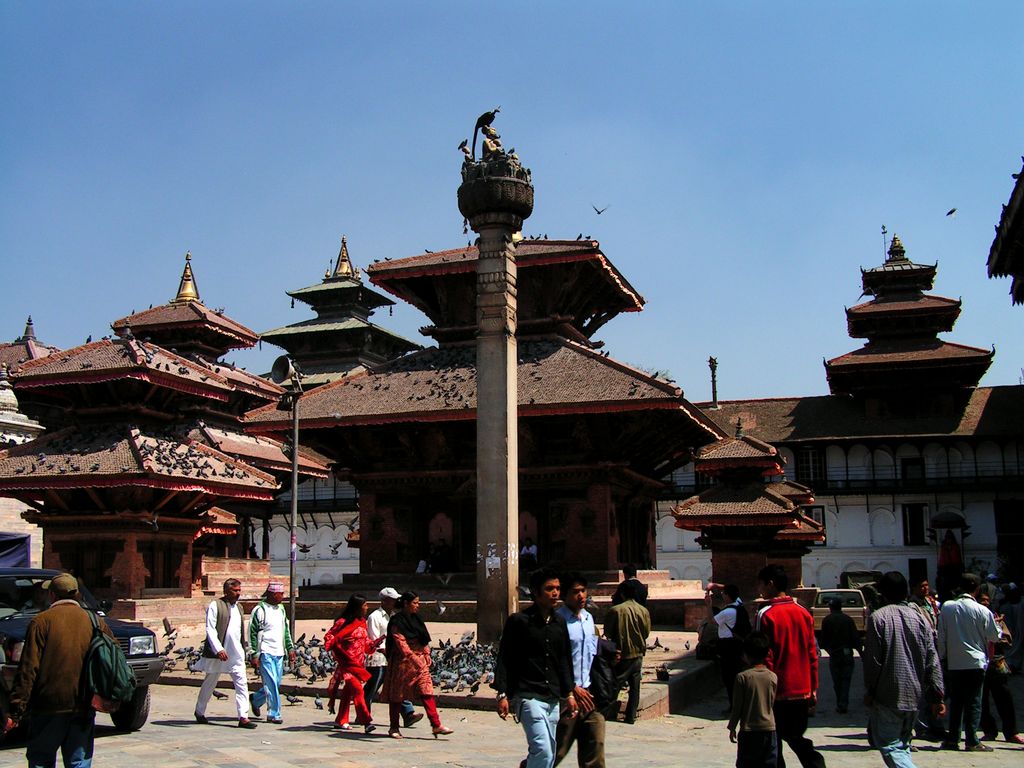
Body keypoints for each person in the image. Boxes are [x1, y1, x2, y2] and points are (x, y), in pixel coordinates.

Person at [3, 573, 113, 767]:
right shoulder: (96, 622)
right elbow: (111, 660)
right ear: (77, 595)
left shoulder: (41, 622)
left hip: (48, 706)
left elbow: (28, 671)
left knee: (41, 760)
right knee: (78, 761)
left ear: (52, 595)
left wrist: (16, 711)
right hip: (83, 704)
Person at [862, 571, 946, 768]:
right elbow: (932, 661)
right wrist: (937, 695)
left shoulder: (878, 618)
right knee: (903, 745)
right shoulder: (920, 618)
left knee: (891, 746)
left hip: (888, 694)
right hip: (915, 695)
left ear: (882, 593)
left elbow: (873, 661)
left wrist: (870, 690)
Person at [495, 567, 576, 768]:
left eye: (557, 588)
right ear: (536, 592)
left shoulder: (559, 622)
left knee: (549, 754)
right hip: (528, 695)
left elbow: (564, 660)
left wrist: (569, 693)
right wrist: (502, 694)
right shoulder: (519, 622)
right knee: (542, 749)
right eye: (549, 589)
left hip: (552, 697)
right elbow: (505, 657)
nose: (555, 593)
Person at [754, 564, 824, 768]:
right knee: (794, 735)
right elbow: (812, 653)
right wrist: (813, 687)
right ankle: (814, 762)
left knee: (773, 741)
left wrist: (761, 691)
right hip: (802, 688)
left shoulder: (766, 614)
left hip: (777, 689)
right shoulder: (803, 612)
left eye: (761, 583)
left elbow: (763, 655)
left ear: (770, 584)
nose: (759, 588)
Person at [937, 572, 1002, 752]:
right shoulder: (982, 610)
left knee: (956, 701)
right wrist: (998, 626)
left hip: (954, 663)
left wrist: (942, 658)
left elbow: (941, 636)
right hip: (975, 663)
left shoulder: (947, 607)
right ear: (977, 589)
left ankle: (953, 738)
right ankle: (972, 739)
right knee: (974, 701)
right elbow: (994, 636)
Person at [380, 591, 453, 739]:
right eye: (415, 603)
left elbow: (423, 638)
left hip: (420, 661)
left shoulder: (417, 619)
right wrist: (413, 658)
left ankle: (436, 724)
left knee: (427, 691)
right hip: (403, 663)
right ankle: (394, 727)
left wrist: (426, 654)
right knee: (397, 695)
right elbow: (401, 643)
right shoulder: (396, 621)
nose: (417, 606)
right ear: (406, 604)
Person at [554, 572, 605, 768]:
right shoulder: (558, 621)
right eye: (575, 592)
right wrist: (572, 688)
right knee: (555, 750)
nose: (581, 596)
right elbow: (556, 660)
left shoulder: (588, 619)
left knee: (595, 746)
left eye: (583, 591)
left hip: (590, 694)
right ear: (565, 595)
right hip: (567, 696)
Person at [194, 578, 257, 728]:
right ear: (226, 591)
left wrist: (246, 651)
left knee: (242, 684)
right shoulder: (216, 606)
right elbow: (211, 629)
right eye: (235, 591)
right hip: (220, 654)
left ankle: (243, 717)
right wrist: (218, 649)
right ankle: (199, 711)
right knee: (210, 683)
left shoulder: (239, 608)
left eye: (239, 590)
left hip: (236, 654)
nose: (238, 593)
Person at [365, 586, 422, 727]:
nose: (395, 603)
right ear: (384, 601)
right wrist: (387, 652)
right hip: (378, 658)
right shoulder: (375, 617)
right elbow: (374, 639)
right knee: (372, 687)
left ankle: (408, 713)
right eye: (392, 600)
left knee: (398, 686)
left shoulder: (394, 616)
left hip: (393, 657)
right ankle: (364, 714)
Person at [325, 594, 377, 732]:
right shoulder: (342, 623)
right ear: (358, 607)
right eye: (365, 605)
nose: (367, 607)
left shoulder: (362, 622)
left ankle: (341, 720)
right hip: (347, 664)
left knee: (348, 692)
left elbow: (365, 644)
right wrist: (339, 651)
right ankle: (366, 721)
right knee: (358, 691)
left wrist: (373, 645)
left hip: (359, 664)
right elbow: (330, 637)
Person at [977, 592, 1024, 745]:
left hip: (997, 663)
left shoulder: (994, 616)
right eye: (982, 600)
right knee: (982, 700)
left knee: (1005, 697)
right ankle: (989, 730)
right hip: (980, 663)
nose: (985, 603)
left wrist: (997, 627)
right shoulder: (974, 616)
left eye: (987, 601)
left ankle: (1011, 732)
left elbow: (1006, 639)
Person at [728, 632, 778, 768]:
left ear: (745, 655)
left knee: (747, 763)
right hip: (769, 729)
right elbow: (771, 702)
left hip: (749, 730)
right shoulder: (772, 676)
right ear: (767, 653)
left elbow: (737, 706)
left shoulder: (742, 677)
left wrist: (732, 726)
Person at [248, 582, 296, 724]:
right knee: (272, 683)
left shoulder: (281, 609)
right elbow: (252, 632)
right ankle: (274, 713)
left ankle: (256, 699)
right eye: (280, 594)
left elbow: (285, 630)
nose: (282, 596)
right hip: (265, 651)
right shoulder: (259, 610)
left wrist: (290, 648)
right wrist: (254, 654)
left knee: (276, 682)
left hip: (279, 652)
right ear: (272, 594)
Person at [604, 579, 651, 724]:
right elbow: (647, 632)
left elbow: (608, 633)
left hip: (622, 654)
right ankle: (630, 716)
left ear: (622, 594)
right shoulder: (643, 610)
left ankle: (606, 712)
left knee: (615, 684)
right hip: (638, 654)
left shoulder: (615, 610)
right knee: (635, 687)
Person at [709, 584, 749, 710]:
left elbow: (711, 621)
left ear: (728, 596)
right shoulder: (739, 605)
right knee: (736, 674)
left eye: (724, 593)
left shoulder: (727, 612)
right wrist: (715, 585)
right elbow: (731, 586)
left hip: (728, 646)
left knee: (729, 677)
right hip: (738, 645)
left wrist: (708, 604)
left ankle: (734, 705)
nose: (722, 594)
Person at [818, 597, 860, 714]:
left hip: (835, 654)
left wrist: (829, 650)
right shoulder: (848, 620)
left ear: (830, 608)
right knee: (845, 680)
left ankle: (840, 703)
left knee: (837, 681)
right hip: (847, 654)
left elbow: (823, 641)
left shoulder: (827, 620)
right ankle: (843, 703)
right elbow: (855, 638)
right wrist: (861, 653)